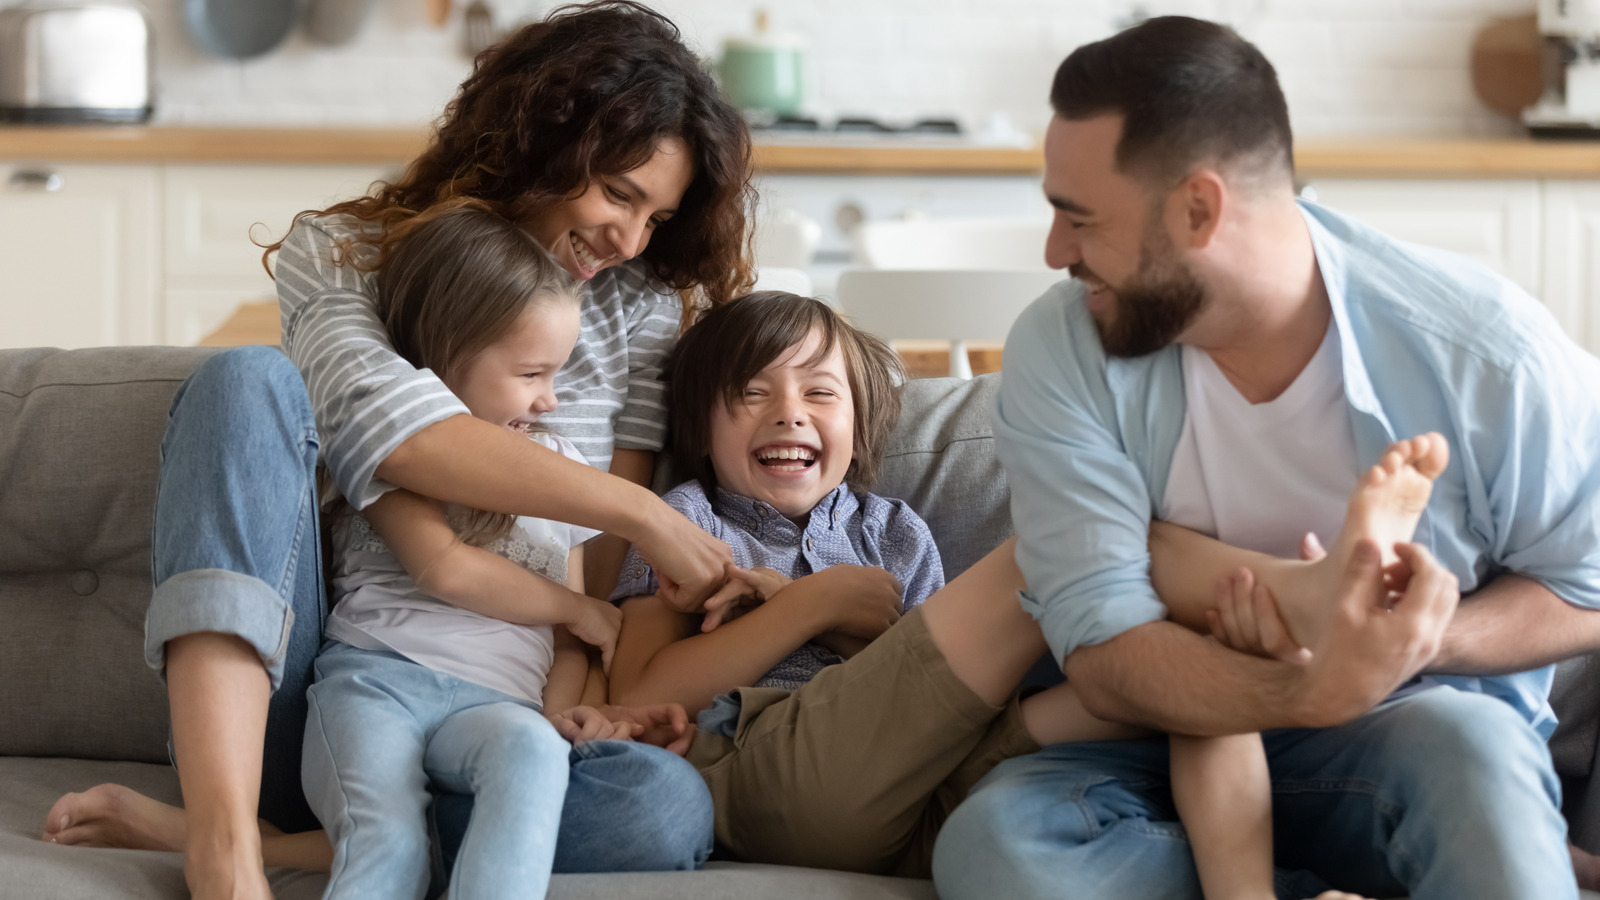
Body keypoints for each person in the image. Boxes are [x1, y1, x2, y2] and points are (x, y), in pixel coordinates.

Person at [40, 4, 751, 898]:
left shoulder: (636, 309)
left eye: (657, 216)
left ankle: (313, 847)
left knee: (660, 810)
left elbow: (590, 583)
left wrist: (584, 702)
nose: (628, 241)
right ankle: (225, 849)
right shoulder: (346, 254)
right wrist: (642, 514)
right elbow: (399, 437)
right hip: (326, 695)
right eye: (616, 193)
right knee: (245, 381)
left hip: (502, 715)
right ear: (538, 143)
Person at [931, 16, 1600, 900]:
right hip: (1148, 744)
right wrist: (1306, 688)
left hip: (1408, 731)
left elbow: (1586, 586)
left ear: (1199, 208)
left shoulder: (1483, 352)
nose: (1054, 253)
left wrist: (1412, 643)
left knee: (1478, 757)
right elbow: (1103, 643)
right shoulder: (1065, 347)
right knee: (998, 849)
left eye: (1078, 217)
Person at [607, 290, 1405, 889]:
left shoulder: (893, 530)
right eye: (752, 394)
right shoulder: (688, 519)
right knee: (1046, 557)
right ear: (698, 429)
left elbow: (928, 693)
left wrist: (839, 605)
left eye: (820, 393)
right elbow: (638, 693)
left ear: (859, 422)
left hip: (930, 796)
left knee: (1162, 672)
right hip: (770, 775)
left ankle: (1285, 751)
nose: (789, 415)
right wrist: (817, 601)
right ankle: (1306, 596)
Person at [301, 202, 708, 899]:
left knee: (533, 753)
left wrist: (560, 714)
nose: (550, 400)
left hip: (494, 709)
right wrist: (584, 611)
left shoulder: (563, 469)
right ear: (447, 355)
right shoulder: (394, 458)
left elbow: (566, 640)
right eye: (531, 375)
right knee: (388, 838)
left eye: (558, 375)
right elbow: (445, 568)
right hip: (377, 682)